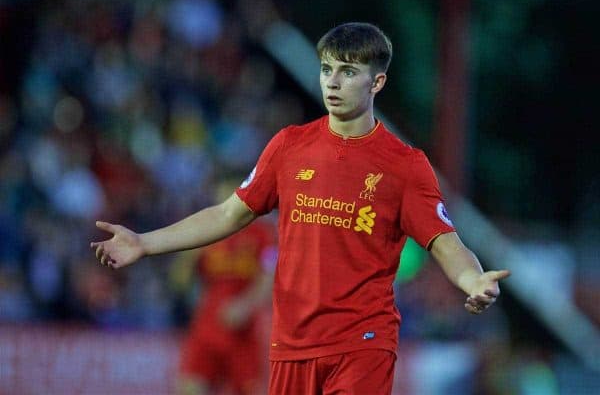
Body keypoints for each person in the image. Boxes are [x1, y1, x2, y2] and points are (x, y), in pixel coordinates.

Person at [92, 22, 511, 395]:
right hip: (291, 345)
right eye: (327, 69)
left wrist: (472, 279)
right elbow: (227, 214)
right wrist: (144, 243)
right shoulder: (289, 145)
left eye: (348, 72)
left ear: (376, 82)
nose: (333, 82)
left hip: (362, 343)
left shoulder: (404, 165)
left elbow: (444, 242)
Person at [173, 179, 277, 395]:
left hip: (243, 332)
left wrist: (245, 306)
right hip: (207, 327)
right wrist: (188, 254)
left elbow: (268, 279)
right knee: (189, 388)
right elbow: (179, 282)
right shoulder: (207, 232)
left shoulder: (263, 235)